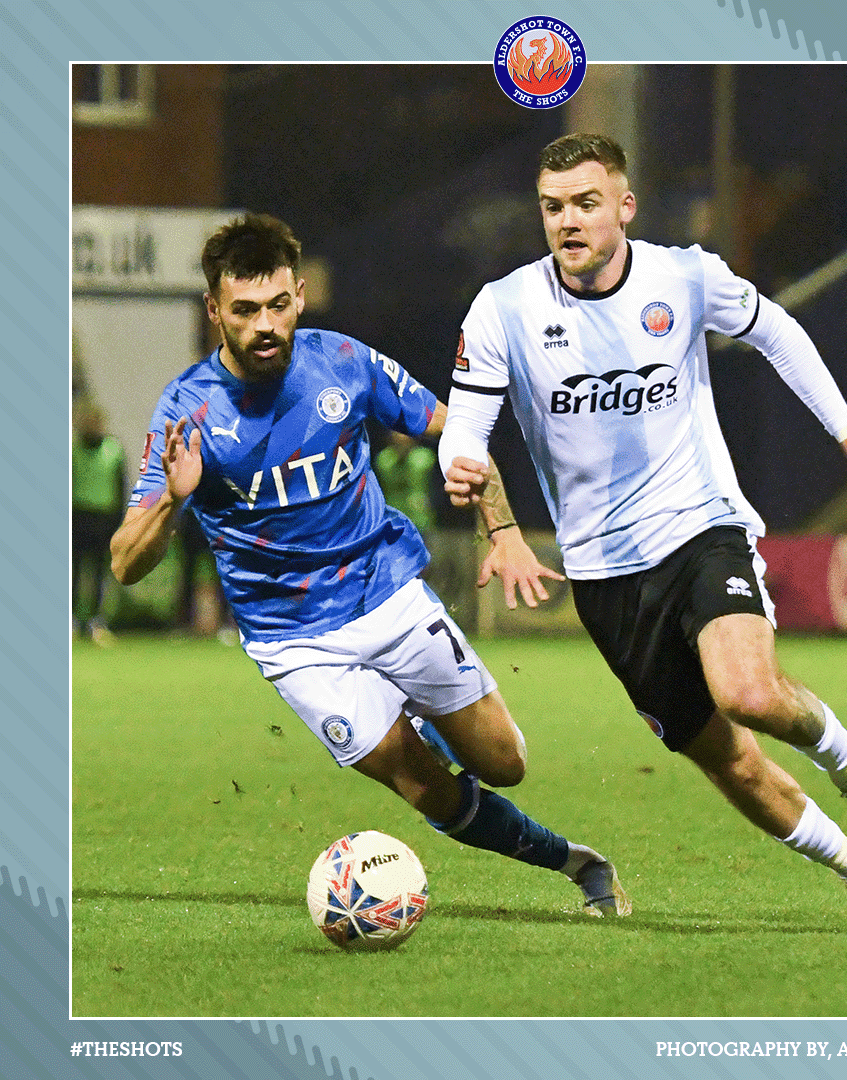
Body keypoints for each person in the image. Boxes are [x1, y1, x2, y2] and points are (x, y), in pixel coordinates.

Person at [439, 133, 847, 935]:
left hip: (699, 526)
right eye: (553, 207)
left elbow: (776, 329)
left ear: (625, 207)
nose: (568, 221)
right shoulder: (504, 308)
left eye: (586, 203)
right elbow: (465, 425)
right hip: (603, 575)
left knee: (748, 691)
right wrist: (476, 488)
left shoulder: (684, 275)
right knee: (728, 760)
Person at [110, 212, 630, 918]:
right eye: (244, 310)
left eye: (277, 305)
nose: (265, 325)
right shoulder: (188, 411)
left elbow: (457, 430)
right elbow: (124, 566)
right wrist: (172, 502)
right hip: (296, 643)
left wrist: (502, 528)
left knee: (504, 762)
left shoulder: (346, 363)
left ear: (298, 294)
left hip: (389, 597)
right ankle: (574, 861)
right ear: (214, 309)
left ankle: (420, 711)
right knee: (424, 786)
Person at [72, 398, 126, 643]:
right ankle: (72, 620)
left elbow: (120, 486)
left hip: (104, 518)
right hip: (76, 515)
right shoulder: (72, 449)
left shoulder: (113, 450)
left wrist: (120, 521)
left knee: (99, 572)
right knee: (72, 573)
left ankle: (96, 621)